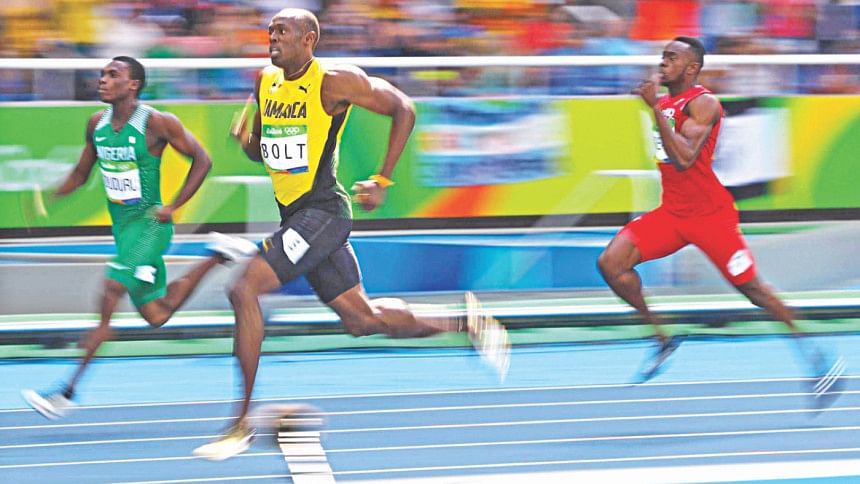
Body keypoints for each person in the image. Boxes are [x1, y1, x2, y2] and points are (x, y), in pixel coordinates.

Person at [191, 8, 511, 461]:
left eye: (282, 31)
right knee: (362, 320)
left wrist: (382, 179)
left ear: (309, 39)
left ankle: (240, 423)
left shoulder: (333, 82)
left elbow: (403, 107)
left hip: (322, 212)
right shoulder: (265, 81)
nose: (272, 37)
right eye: (270, 30)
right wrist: (245, 140)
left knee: (243, 288)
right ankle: (465, 320)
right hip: (295, 217)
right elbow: (263, 152)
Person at [597, 37, 845, 394]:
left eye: (671, 58)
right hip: (672, 213)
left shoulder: (705, 104)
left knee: (754, 290)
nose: (662, 63)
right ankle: (663, 338)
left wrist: (654, 111)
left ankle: (816, 356)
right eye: (662, 56)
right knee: (611, 263)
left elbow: (685, 159)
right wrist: (657, 106)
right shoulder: (665, 101)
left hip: (709, 217)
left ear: (691, 68)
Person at [22, 56, 258, 419]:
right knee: (156, 313)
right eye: (102, 74)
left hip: (151, 227)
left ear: (132, 85)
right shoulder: (96, 124)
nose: (102, 79)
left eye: (112, 74)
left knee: (111, 289)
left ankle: (66, 391)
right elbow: (81, 174)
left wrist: (174, 206)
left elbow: (203, 160)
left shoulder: (157, 122)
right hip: (124, 231)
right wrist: (47, 199)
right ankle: (217, 255)